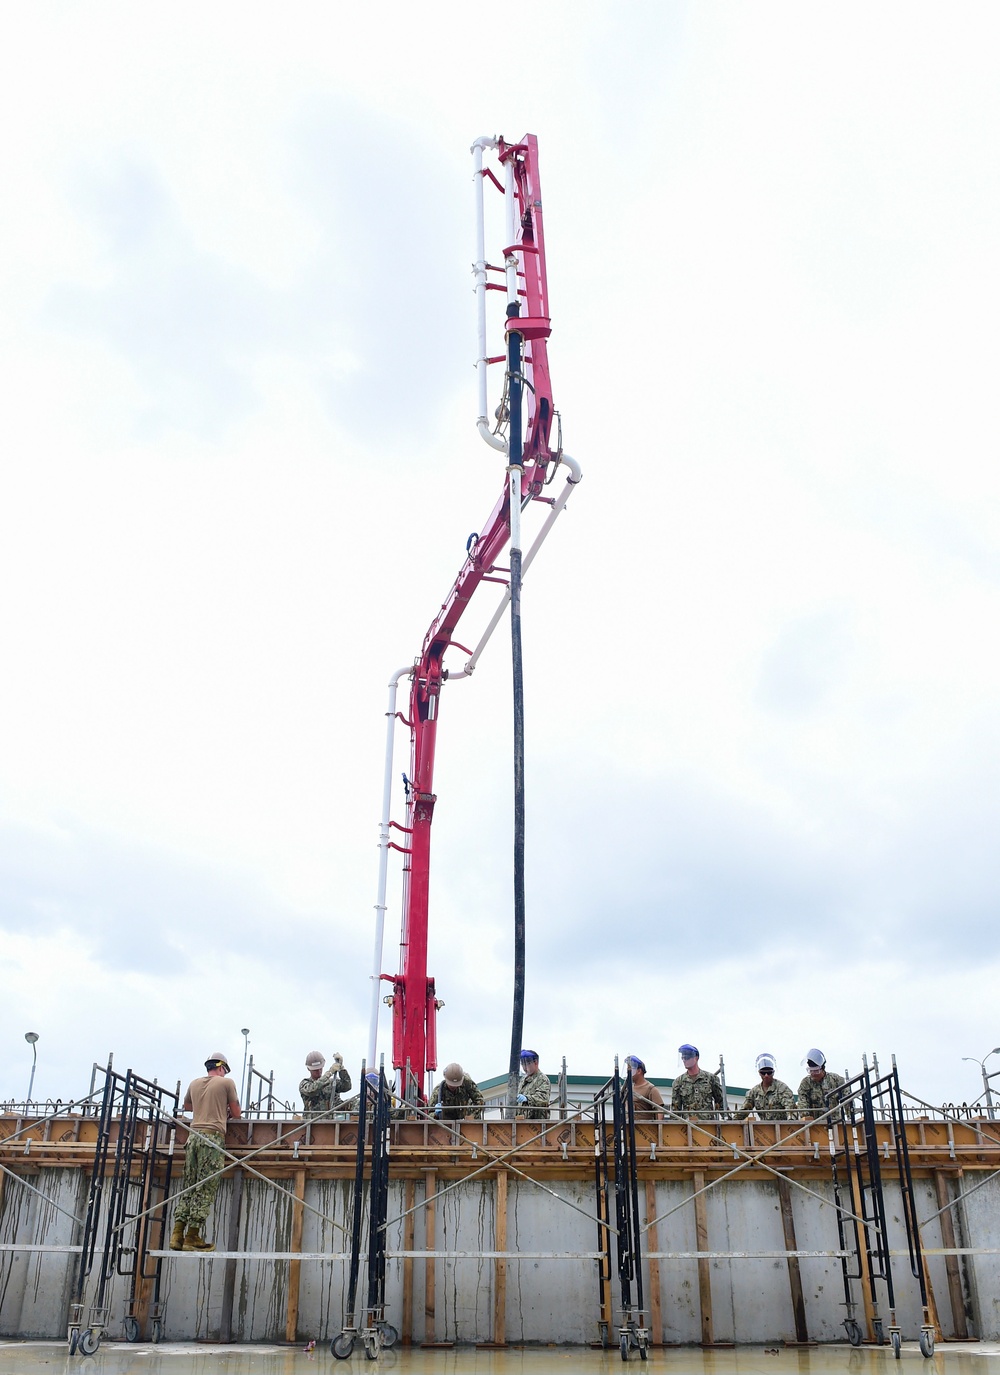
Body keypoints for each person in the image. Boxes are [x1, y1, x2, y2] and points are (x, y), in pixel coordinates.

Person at [170, 1052, 241, 1252]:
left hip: (192, 1139)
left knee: (189, 1186)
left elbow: (187, 1106)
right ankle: (192, 1236)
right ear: (221, 1068)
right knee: (205, 1188)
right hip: (212, 1140)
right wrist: (222, 1108)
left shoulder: (194, 1083)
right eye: (225, 1071)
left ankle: (177, 1235)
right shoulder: (226, 1084)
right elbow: (236, 1113)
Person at [670, 1044, 724, 1119]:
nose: (684, 1060)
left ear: (696, 1058)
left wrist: (729, 1124)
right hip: (687, 1126)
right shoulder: (678, 1082)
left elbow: (721, 1103)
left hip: (709, 1126)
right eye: (683, 1058)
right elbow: (675, 1110)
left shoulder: (711, 1079)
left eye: (687, 1057)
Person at [736, 1054, 795, 1120]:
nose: (766, 1075)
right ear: (759, 1073)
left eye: (769, 1072)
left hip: (782, 1127)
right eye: (763, 1073)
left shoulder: (782, 1088)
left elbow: (790, 1107)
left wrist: (790, 1119)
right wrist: (733, 1122)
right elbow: (745, 1110)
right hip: (764, 1127)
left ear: (773, 1072)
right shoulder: (754, 1092)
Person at [299, 1050, 351, 1119]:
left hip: (330, 1123)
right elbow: (312, 1090)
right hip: (311, 1123)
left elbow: (346, 1086)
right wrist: (329, 1073)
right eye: (315, 1069)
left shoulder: (332, 1083)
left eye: (320, 1068)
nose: (318, 1071)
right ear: (308, 1068)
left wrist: (341, 1069)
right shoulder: (305, 1084)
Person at [797, 1048, 846, 1118]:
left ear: (822, 1069)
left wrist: (850, 1117)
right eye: (810, 1071)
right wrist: (806, 1118)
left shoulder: (836, 1080)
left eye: (816, 1071)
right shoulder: (805, 1083)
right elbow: (802, 1104)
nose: (813, 1074)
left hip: (834, 1122)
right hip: (815, 1124)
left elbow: (847, 1100)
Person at [625, 1055, 664, 1121]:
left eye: (630, 1069)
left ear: (639, 1071)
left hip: (645, 1128)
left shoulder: (651, 1089)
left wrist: (658, 1129)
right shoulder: (628, 1089)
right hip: (629, 1127)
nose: (628, 1072)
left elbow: (660, 1111)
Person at [516, 1049, 551, 1119]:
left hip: (537, 1123)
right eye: (522, 1064)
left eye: (527, 1064)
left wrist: (527, 1098)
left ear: (535, 1062)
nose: (524, 1068)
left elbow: (543, 1098)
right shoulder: (522, 1079)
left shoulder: (542, 1079)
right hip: (521, 1121)